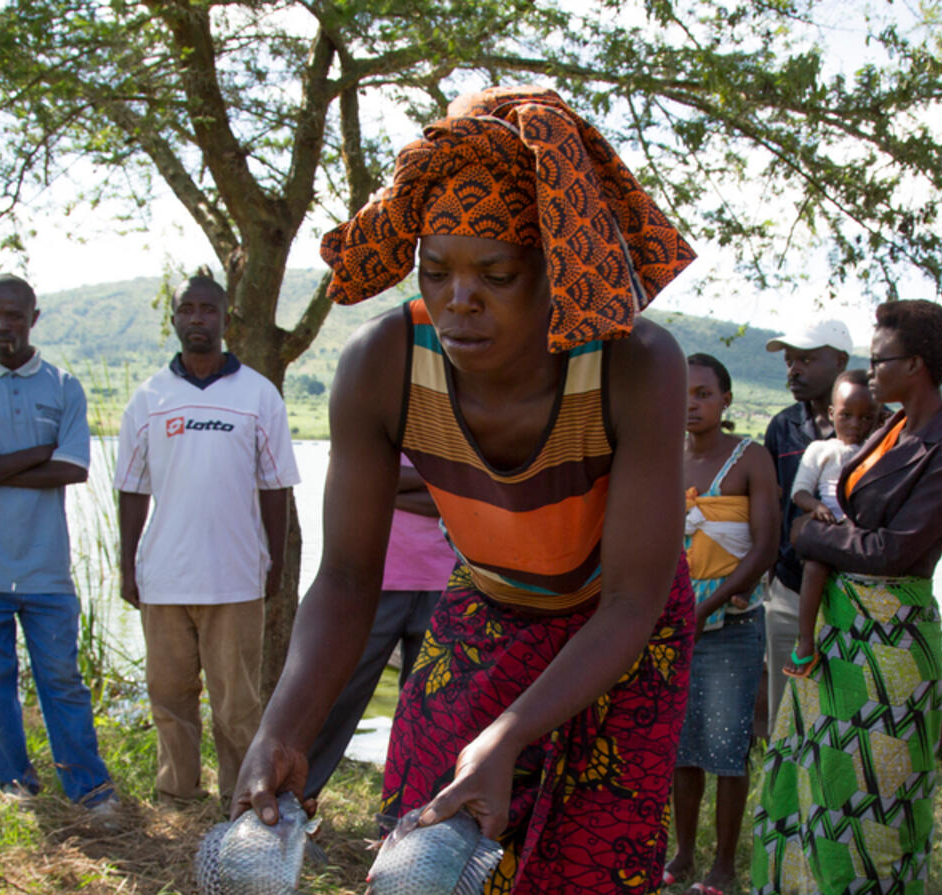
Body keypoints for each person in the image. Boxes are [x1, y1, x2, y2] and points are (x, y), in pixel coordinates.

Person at [230, 86, 698, 895]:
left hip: (622, 632)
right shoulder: (384, 366)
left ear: (557, 269)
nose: (459, 300)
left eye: (497, 272)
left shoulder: (633, 364)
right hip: (487, 613)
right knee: (427, 854)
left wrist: (509, 734)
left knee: (589, 865)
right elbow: (346, 578)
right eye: (436, 270)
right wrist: (284, 725)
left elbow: (632, 596)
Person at [753, 299, 942, 895]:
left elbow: (892, 550)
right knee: (816, 774)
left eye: (881, 361)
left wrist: (809, 534)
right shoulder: (891, 429)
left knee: (874, 789)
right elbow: (851, 518)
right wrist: (822, 536)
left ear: (920, 365)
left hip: (889, 642)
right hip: (836, 629)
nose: (871, 372)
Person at [0, 273, 118, 815]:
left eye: (14, 315)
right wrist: (38, 453)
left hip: (45, 570)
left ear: (33, 319)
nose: (3, 325)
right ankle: (15, 782)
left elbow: (73, 469)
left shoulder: (63, 387)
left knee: (62, 679)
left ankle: (89, 789)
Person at [115, 273, 298, 802]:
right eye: (187, 309)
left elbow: (275, 487)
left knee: (236, 706)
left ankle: (241, 801)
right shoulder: (149, 398)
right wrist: (128, 567)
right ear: (173, 319)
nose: (197, 319)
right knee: (169, 697)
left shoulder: (258, 395)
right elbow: (131, 489)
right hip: (164, 579)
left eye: (208, 310)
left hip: (236, 578)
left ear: (224, 319)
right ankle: (177, 794)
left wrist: (275, 566)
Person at [667, 353, 780, 895]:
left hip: (731, 622)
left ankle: (725, 865)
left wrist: (706, 608)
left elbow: (764, 548)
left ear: (726, 400)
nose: (691, 403)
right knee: (682, 746)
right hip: (672, 624)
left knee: (728, 746)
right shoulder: (665, 458)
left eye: (704, 393)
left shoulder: (751, 458)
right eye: (682, 393)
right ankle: (683, 854)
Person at [300, 454, 455, 801]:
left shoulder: (450, 421)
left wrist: (385, 485)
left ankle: (410, 820)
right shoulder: (378, 412)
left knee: (430, 716)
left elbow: (468, 491)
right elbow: (350, 482)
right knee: (332, 700)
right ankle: (291, 807)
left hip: (446, 580)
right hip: (372, 581)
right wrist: (437, 482)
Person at [762, 321, 854, 723]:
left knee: (848, 709)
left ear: (840, 361)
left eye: (806, 359)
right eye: (789, 361)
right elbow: (770, 506)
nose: (793, 370)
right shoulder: (783, 427)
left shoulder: (877, 428)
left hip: (856, 591)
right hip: (789, 589)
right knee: (788, 711)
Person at [792, 370, 880, 525]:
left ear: (877, 420)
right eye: (846, 415)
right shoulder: (820, 450)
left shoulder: (877, 452)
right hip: (829, 527)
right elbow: (799, 493)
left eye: (866, 418)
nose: (855, 424)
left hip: (863, 532)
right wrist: (818, 507)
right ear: (831, 413)